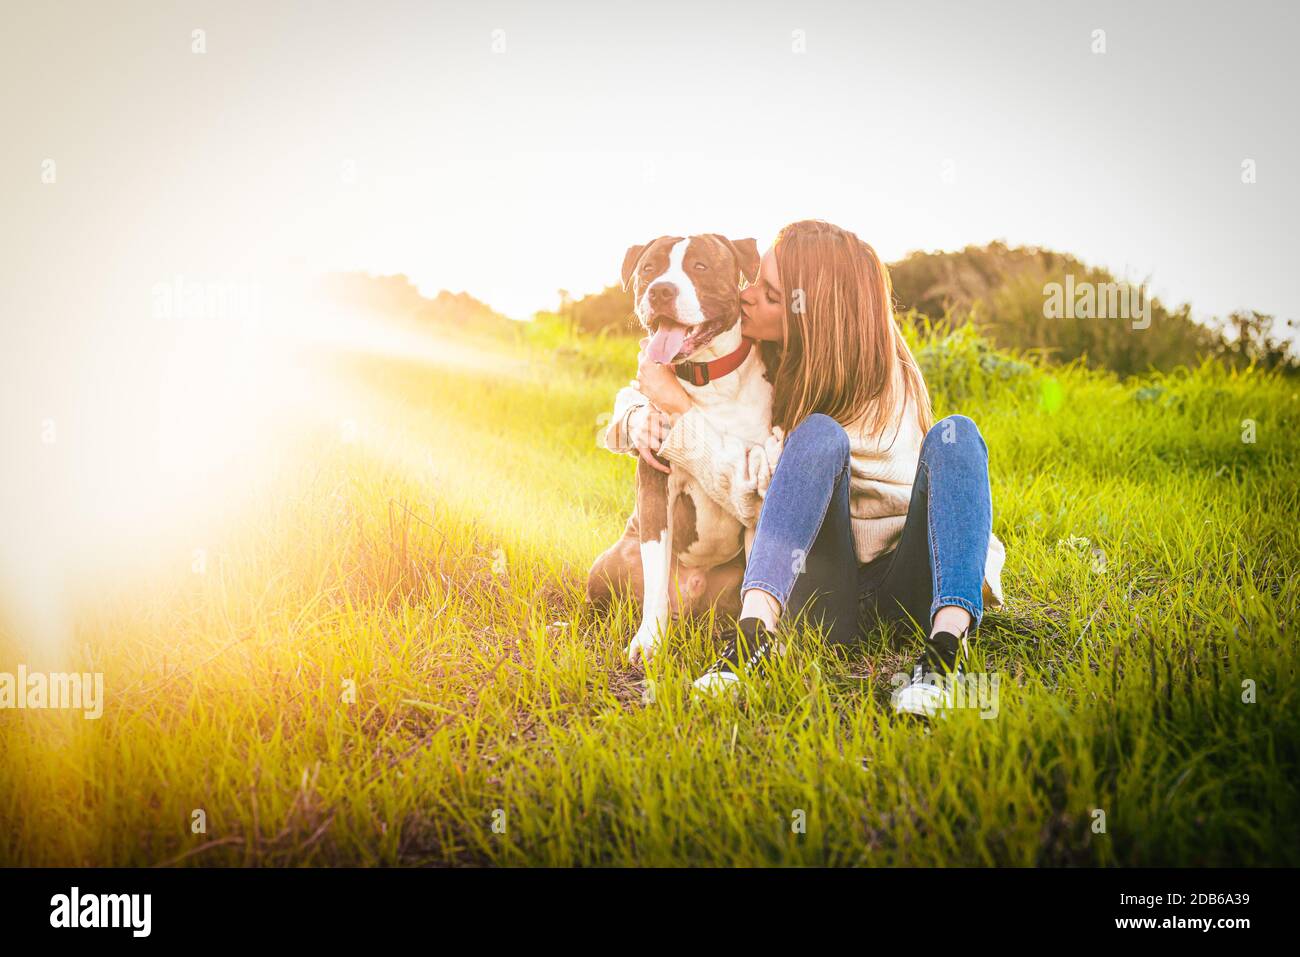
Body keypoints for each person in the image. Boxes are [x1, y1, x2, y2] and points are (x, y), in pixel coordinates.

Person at [607, 220, 1005, 716]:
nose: (747, 296)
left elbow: (951, 498)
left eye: (769, 293)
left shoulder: (886, 378)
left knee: (958, 433)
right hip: (822, 588)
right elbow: (682, 390)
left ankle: (946, 653)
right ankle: (752, 641)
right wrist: (637, 412)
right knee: (818, 434)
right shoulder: (768, 361)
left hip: (904, 583)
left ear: (809, 313)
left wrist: (978, 558)